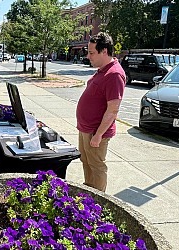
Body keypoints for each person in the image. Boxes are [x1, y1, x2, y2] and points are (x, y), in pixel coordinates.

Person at [75, 32, 126, 192]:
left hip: (96, 132)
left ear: (104, 51)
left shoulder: (114, 74)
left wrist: (98, 135)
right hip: (86, 129)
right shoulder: (102, 70)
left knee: (97, 166)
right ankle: (88, 193)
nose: (88, 57)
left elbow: (113, 110)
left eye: (91, 53)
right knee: (86, 161)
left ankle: (97, 201)